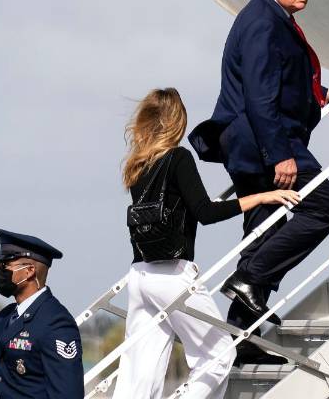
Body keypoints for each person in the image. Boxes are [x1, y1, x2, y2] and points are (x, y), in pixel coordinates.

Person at [189, 0, 329, 364]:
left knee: (262, 231)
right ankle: (250, 279)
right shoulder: (263, 23)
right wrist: (280, 155)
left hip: (248, 140)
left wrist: (320, 94)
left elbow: (278, 79)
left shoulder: (269, 17)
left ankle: (244, 343)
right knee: (325, 209)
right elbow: (260, 96)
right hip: (264, 140)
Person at [115, 88, 301, 398]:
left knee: (139, 372)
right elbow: (205, 212)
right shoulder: (178, 158)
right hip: (173, 275)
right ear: (177, 121)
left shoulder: (138, 165)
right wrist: (262, 196)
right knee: (218, 356)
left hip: (140, 276)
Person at [0, 230, 83, 398]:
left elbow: (67, 394)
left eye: (5, 266)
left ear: (29, 271)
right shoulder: (8, 317)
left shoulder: (55, 322)